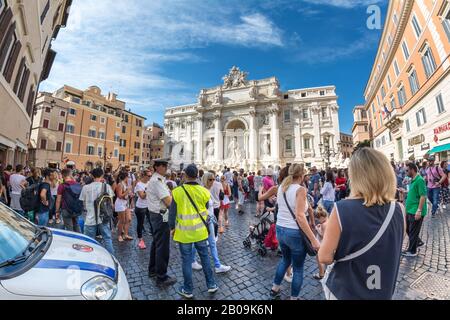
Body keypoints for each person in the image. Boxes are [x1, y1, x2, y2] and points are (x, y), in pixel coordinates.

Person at [319, 148, 405, 300]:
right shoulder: (399, 209)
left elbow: (324, 257)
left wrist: (326, 235)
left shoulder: (341, 209)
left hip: (347, 291)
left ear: (356, 177)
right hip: (382, 291)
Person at [270, 163, 320, 300]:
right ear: (302, 175)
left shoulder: (281, 187)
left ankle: (275, 288)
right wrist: (314, 239)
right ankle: (294, 298)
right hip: (294, 232)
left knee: (285, 260)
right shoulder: (300, 189)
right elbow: (300, 216)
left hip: (280, 229)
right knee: (298, 267)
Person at [168, 164, 218, 299]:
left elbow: (172, 213)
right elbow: (206, 210)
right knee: (205, 258)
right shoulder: (204, 191)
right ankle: (211, 284)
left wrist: (172, 228)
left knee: (186, 261)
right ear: (197, 176)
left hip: (184, 233)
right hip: (201, 231)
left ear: (185, 175)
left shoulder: (177, 191)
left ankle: (188, 289)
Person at [191, 172, 231, 274]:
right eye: (210, 179)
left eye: (213, 179)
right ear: (205, 180)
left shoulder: (210, 188)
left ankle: (217, 265)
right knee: (197, 241)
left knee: (212, 242)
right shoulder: (201, 190)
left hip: (210, 219)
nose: (212, 181)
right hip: (203, 220)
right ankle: (192, 260)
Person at [147, 159, 176, 286]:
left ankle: (153, 270)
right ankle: (161, 277)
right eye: (163, 165)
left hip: (156, 214)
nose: (165, 167)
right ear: (156, 167)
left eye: (166, 165)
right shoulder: (157, 181)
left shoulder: (158, 180)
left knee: (156, 243)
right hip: (160, 215)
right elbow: (168, 201)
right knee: (162, 246)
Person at [79, 168, 115, 254]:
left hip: (90, 218)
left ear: (92, 176)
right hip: (104, 218)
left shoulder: (86, 187)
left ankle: (90, 259)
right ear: (102, 175)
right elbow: (111, 204)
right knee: (107, 239)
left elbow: (83, 203)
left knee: (88, 241)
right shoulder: (107, 187)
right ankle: (112, 258)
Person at [402, 163, 427, 257]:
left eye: (407, 170)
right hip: (410, 209)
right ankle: (418, 242)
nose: (406, 172)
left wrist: (419, 210)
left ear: (412, 169)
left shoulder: (420, 180)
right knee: (408, 228)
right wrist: (405, 191)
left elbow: (423, 196)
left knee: (413, 231)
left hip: (415, 210)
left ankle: (412, 251)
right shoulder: (413, 180)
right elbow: (415, 193)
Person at [135, 170, 152, 249]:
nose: (150, 177)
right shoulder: (139, 184)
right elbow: (142, 196)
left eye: (150, 175)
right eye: (149, 176)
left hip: (149, 206)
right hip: (141, 207)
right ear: (144, 176)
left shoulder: (149, 183)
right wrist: (148, 190)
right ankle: (140, 240)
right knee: (140, 224)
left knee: (152, 222)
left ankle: (154, 237)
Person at [115, 172, 133, 242]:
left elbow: (126, 195)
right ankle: (119, 235)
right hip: (120, 204)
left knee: (128, 219)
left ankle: (125, 235)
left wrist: (130, 194)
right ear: (125, 177)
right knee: (122, 221)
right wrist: (128, 191)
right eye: (128, 177)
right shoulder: (120, 184)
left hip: (126, 203)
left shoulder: (125, 184)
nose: (128, 178)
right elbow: (119, 196)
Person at [313, 206, 328, 280]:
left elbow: (323, 235)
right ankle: (324, 272)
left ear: (321, 217)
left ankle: (321, 274)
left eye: (318, 219)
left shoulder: (323, 224)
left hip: (321, 245)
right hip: (325, 245)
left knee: (319, 259)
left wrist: (317, 229)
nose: (317, 220)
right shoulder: (328, 221)